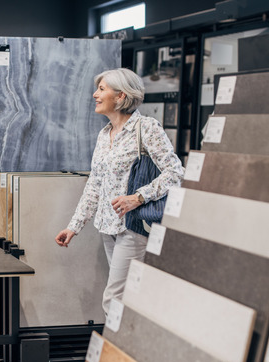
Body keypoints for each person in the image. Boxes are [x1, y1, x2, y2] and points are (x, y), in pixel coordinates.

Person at [55, 68, 184, 316]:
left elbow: (176, 173)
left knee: (114, 298)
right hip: (108, 227)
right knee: (127, 297)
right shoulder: (104, 135)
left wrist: (138, 197)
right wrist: (74, 226)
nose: (95, 94)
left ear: (121, 96)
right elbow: (95, 184)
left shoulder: (146, 128)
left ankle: (111, 342)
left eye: (102, 89)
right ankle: (131, 338)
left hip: (133, 226)